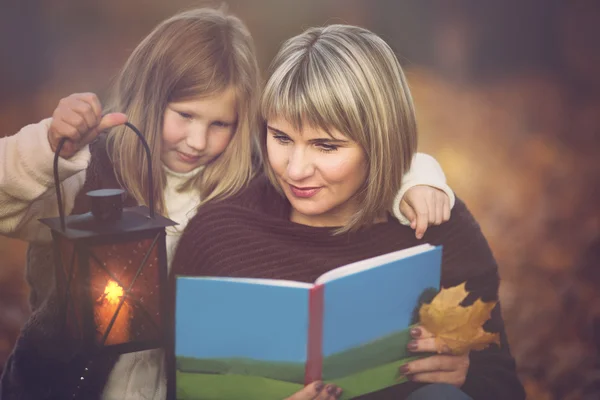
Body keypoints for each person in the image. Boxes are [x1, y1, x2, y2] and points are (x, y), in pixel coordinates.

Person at [0, 8, 455, 400]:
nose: (198, 141)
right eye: (184, 116)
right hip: (66, 386)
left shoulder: (246, 187)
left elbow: (345, 158)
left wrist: (416, 178)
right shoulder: (90, 174)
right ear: (148, 96)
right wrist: (48, 145)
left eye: (222, 123)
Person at [172, 23, 526, 400]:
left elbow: (503, 385)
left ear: (380, 141)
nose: (295, 169)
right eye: (281, 138)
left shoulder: (438, 226)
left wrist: (467, 376)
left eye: (326, 146)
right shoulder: (218, 235)